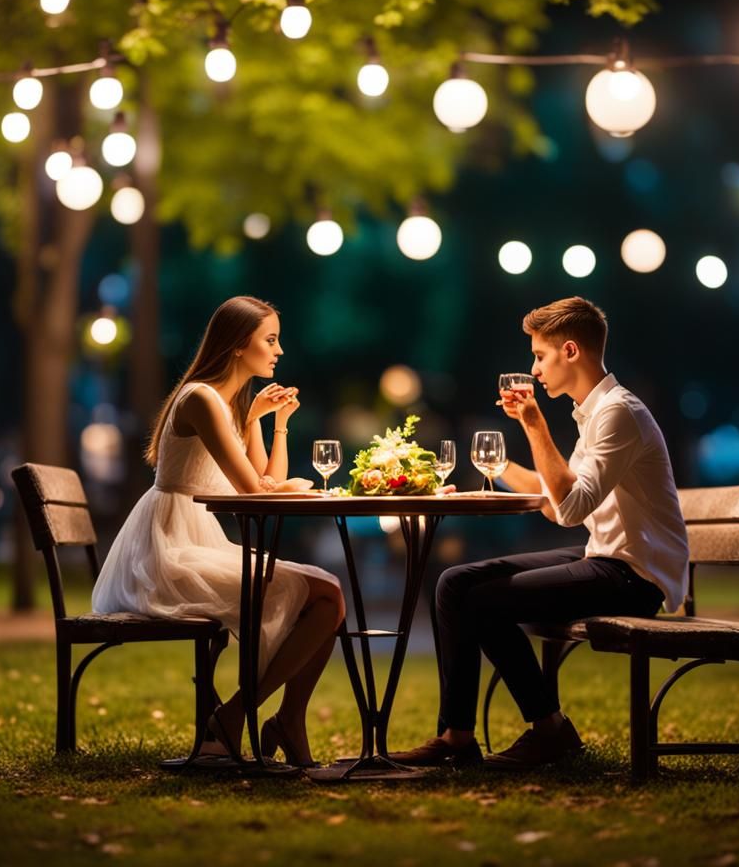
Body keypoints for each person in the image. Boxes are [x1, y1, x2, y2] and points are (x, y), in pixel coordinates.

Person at [391, 296, 689, 771]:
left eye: (539, 355)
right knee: (455, 583)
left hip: (635, 577)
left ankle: (549, 730)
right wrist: (497, 466)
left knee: (482, 599)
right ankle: (456, 737)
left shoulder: (618, 413)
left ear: (570, 351)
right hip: (606, 557)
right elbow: (558, 498)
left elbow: (569, 507)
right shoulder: (594, 413)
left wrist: (533, 423)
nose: (534, 369)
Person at [92, 296, 345, 767]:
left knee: (328, 594)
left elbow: (261, 477)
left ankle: (278, 721)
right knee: (324, 597)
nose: (279, 351)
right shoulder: (202, 398)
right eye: (270, 340)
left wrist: (276, 426)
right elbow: (256, 490)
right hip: (169, 549)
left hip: (194, 537)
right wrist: (291, 490)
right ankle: (236, 719)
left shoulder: (225, 405)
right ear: (236, 345)